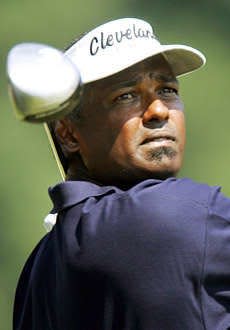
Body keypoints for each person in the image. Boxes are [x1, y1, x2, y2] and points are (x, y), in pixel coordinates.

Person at [13, 18, 230, 330]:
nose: (158, 110)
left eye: (167, 89)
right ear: (68, 133)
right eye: (126, 95)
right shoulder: (177, 214)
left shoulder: (37, 269)